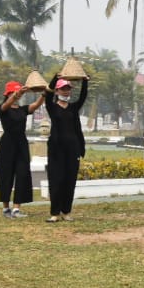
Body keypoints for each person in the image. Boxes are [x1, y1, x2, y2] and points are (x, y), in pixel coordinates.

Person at [0, 80, 44, 218]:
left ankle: (16, 208)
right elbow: (7, 105)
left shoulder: (22, 110)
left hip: (21, 144)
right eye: (14, 92)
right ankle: (6, 208)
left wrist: (44, 95)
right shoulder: (3, 108)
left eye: (18, 92)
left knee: (22, 174)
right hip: (7, 145)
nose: (18, 95)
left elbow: (35, 105)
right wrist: (17, 94)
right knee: (6, 176)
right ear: (8, 93)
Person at [45, 74, 88, 223]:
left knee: (69, 181)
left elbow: (83, 97)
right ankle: (54, 213)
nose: (66, 92)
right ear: (57, 91)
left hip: (72, 149)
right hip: (56, 151)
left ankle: (66, 212)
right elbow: (47, 94)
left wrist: (85, 81)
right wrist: (55, 78)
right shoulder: (52, 107)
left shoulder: (73, 108)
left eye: (68, 89)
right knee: (56, 181)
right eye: (63, 89)